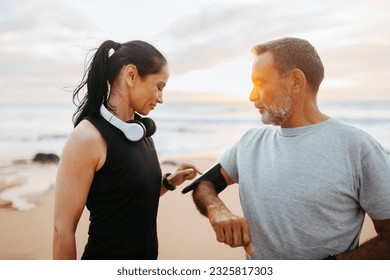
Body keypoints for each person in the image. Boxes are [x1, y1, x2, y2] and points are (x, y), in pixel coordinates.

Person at [186, 37, 390, 260]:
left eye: (260, 83)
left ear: (295, 81)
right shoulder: (250, 142)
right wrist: (218, 211)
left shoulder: (358, 148)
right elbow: (203, 184)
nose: (252, 96)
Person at [53, 39, 200, 260]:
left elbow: (129, 196)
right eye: (159, 87)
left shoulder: (140, 132)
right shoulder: (87, 138)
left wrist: (169, 182)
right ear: (131, 75)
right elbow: (62, 230)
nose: (161, 98)